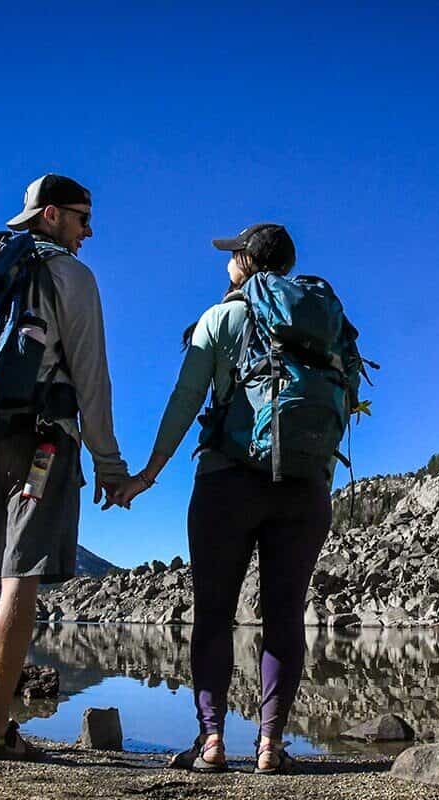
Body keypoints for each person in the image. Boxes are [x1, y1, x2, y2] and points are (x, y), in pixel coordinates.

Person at [118, 223, 358, 774]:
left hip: (228, 482)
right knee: (284, 618)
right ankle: (271, 745)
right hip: (304, 489)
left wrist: (148, 474)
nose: (227, 264)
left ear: (246, 262)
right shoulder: (326, 326)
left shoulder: (222, 318)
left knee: (214, 615)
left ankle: (212, 742)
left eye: (233, 256)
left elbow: (185, 400)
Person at [0, 174, 132, 761]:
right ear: (49, 214)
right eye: (80, 217)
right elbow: (92, 375)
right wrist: (109, 463)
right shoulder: (71, 275)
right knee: (20, 579)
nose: (88, 230)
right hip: (43, 440)